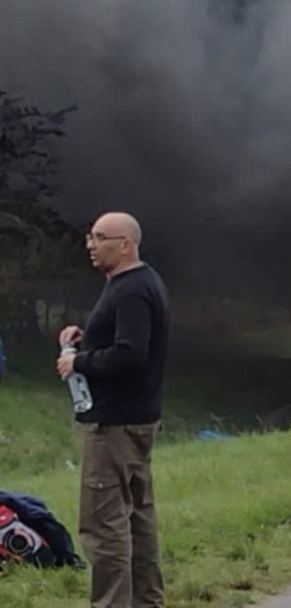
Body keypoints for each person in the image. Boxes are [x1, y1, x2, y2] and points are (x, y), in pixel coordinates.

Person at [56, 212, 169, 608]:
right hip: (136, 419)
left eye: (101, 237)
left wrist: (79, 363)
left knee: (104, 527)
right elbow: (126, 339)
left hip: (116, 425)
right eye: (90, 236)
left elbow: (131, 354)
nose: (91, 243)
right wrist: (85, 339)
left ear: (126, 244)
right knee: (138, 518)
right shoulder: (135, 283)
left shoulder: (132, 290)